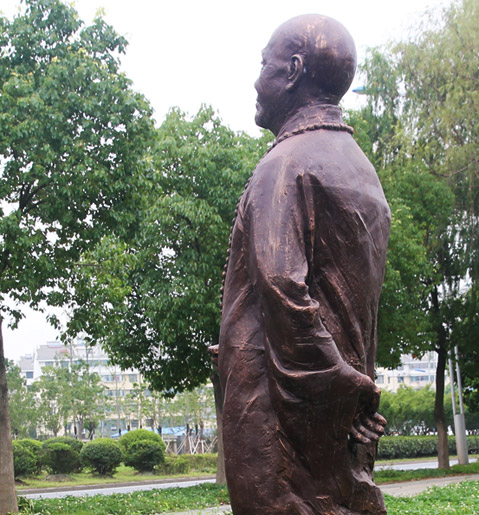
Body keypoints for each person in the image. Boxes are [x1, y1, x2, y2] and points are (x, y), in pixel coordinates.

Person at [216, 14, 390, 514]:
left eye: (264, 65)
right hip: (340, 417)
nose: (256, 82)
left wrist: (344, 388)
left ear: (293, 70)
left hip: (284, 414)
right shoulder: (360, 169)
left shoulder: (285, 165)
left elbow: (282, 289)